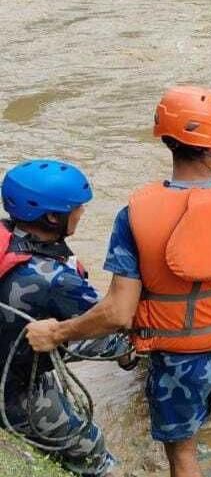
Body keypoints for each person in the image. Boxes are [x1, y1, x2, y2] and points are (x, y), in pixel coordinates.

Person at [25, 86, 211, 477]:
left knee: (183, 453)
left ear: (168, 143)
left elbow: (118, 313)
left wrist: (57, 334)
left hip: (178, 355)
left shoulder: (134, 215)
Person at [0, 158, 132, 477]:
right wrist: (129, 349)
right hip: (16, 387)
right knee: (89, 449)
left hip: (10, 344)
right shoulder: (55, 280)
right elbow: (111, 319)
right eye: (77, 208)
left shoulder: (8, 238)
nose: (82, 213)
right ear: (52, 217)